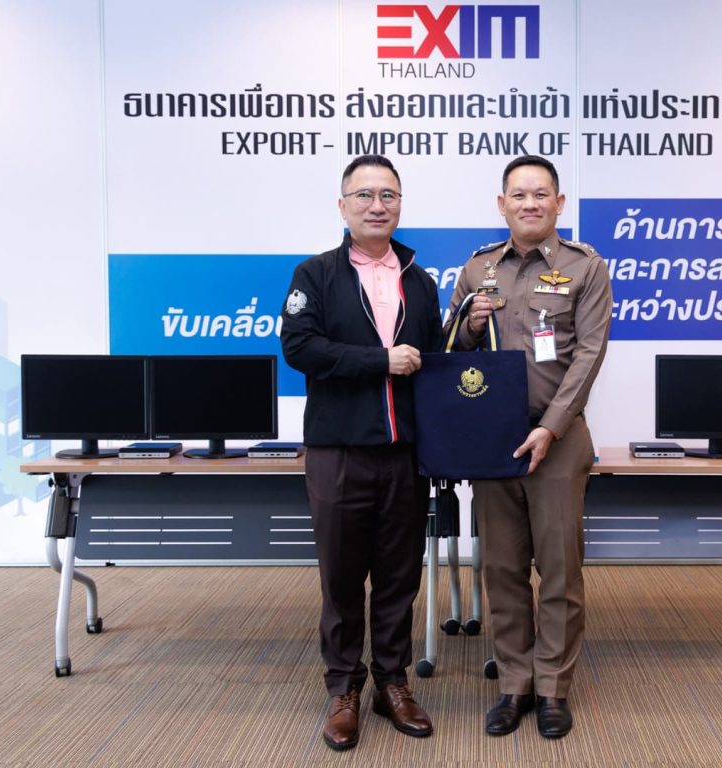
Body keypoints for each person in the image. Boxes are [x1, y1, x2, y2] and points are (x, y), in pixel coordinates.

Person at [445, 155, 612, 739]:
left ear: (559, 204)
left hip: (557, 438)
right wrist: (469, 326)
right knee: (502, 568)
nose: (530, 204)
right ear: (502, 205)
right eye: (518, 195)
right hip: (494, 441)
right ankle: (514, 683)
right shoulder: (478, 268)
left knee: (560, 569)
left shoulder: (585, 267)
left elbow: (589, 354)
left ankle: (552, 689)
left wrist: (552, 426)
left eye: (541, 194)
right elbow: (452, 357)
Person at [280, 155, 444, 751]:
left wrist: (472, 331)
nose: (378, 206)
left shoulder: (421, 282)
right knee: (343, 577)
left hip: (405, 456)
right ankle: (343, 687)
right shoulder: (315, 274)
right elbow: (299, 348)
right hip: (339, 451)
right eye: (365, 195)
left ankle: (392, 683)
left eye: (389, 195)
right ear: (343, 205)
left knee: (400, 577)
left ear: (400, 204)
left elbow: (435, 362)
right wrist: (380, 360)